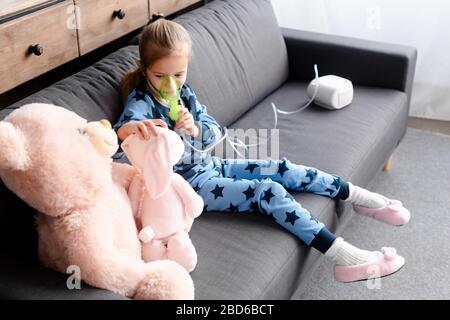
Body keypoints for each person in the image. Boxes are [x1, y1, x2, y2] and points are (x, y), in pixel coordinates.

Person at [113, 18, 410, 282]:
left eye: (178, 74)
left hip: (212, 164)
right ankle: (344, 257)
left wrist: (195, 128)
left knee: (281, 168)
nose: (171, 85)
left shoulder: (185, 93)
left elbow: (215, 132)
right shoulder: (142, 101)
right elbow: (120, 135)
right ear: (144, 68)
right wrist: (134, 129)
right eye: (160, 76)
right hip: (190, 185)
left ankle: (357, 196)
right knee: (267, 191)